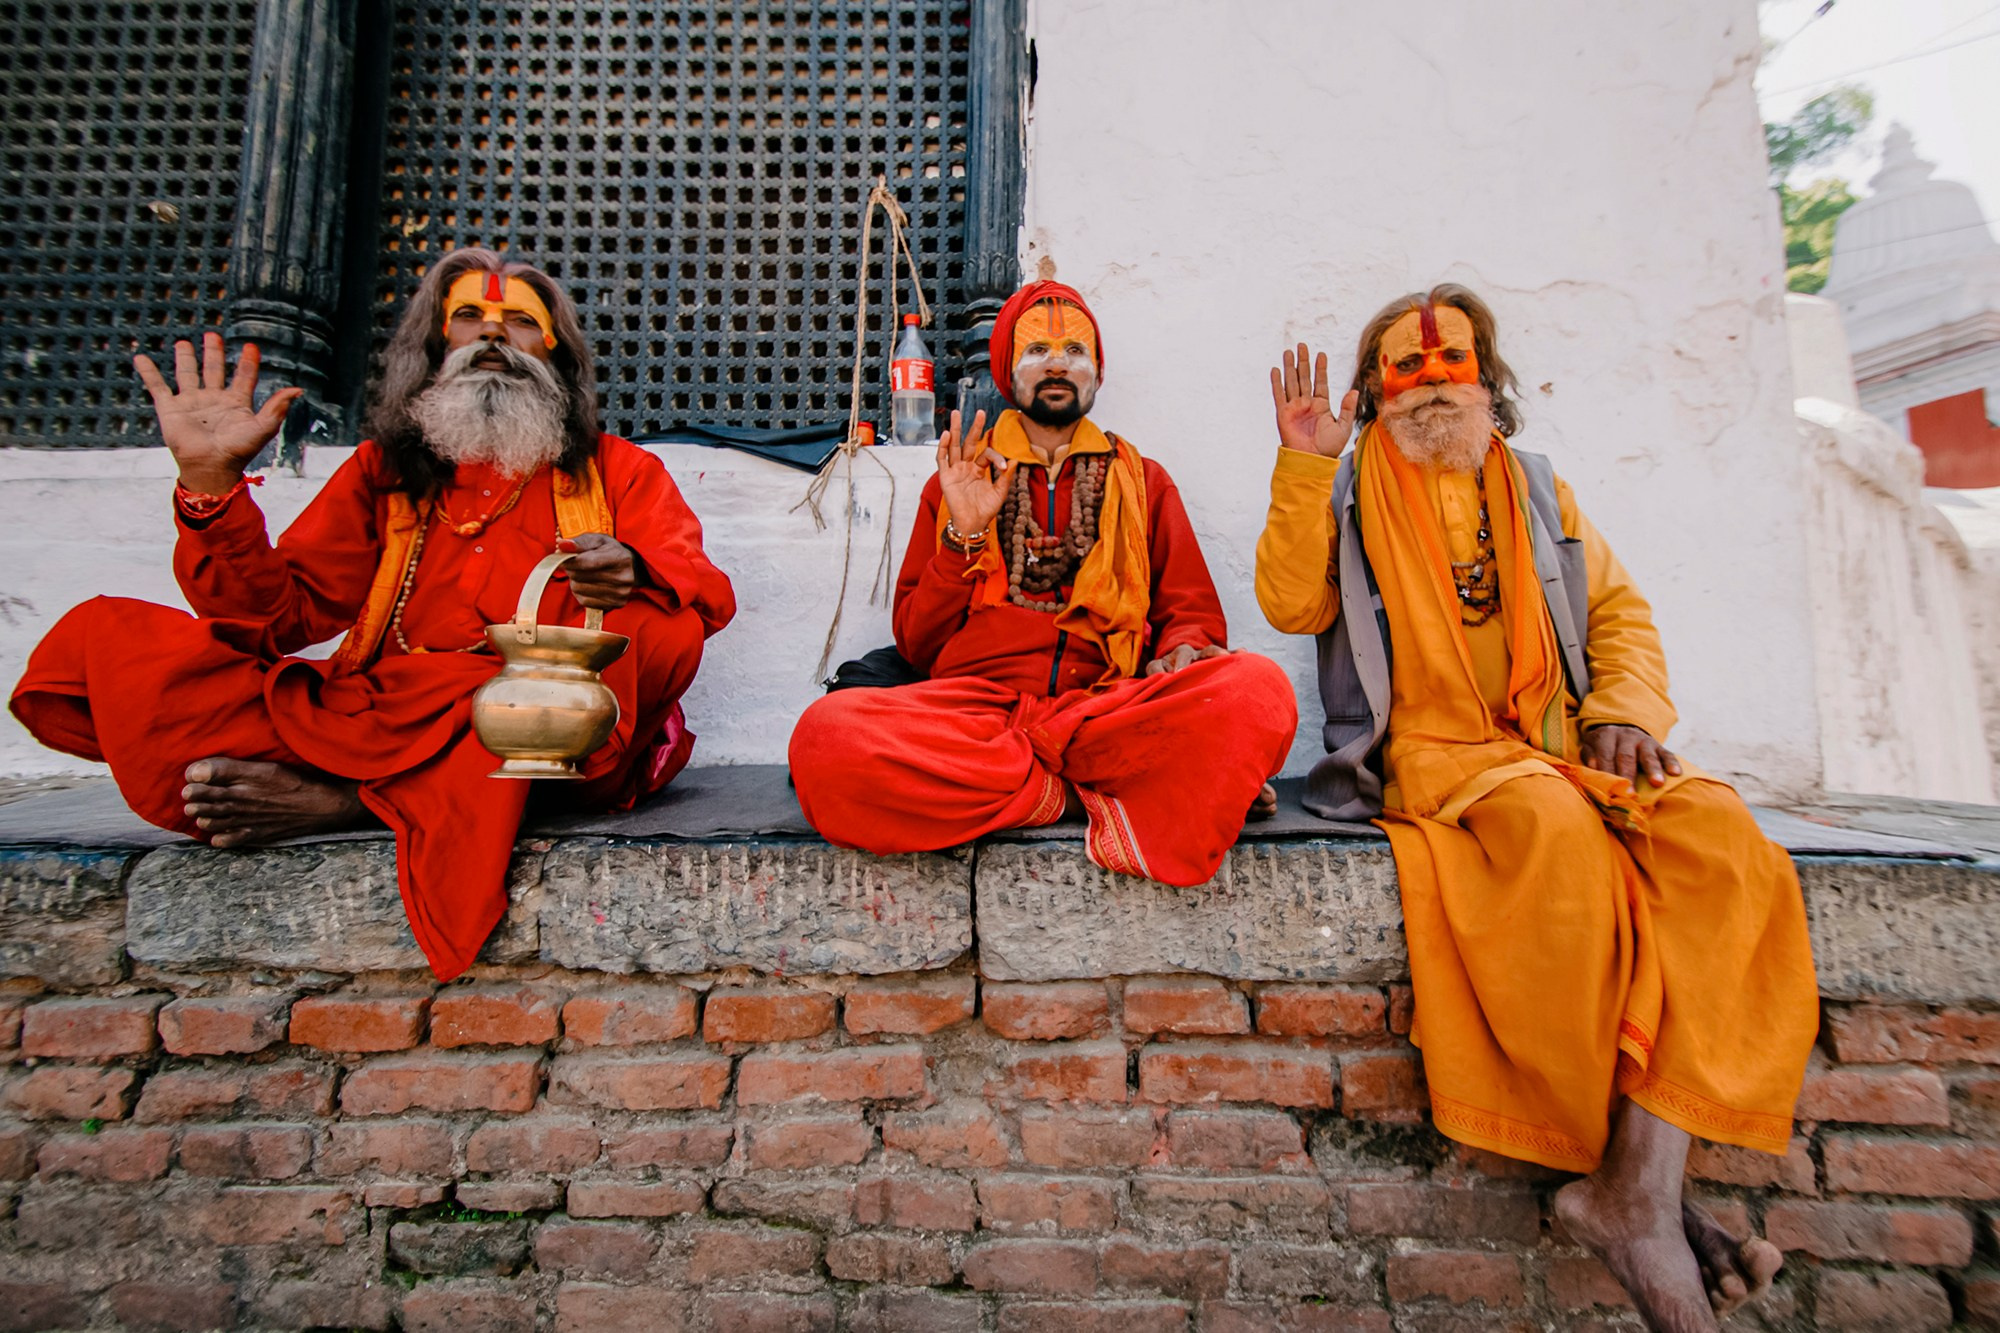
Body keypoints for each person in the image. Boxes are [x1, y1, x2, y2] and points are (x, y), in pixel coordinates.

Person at [1254, 285, 1817, 1332]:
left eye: (1449, 363)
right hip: (1436, 759)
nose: (1429, 385)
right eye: (1405, 370)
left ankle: (1635, 1192)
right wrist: (1301, 459)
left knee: (1723, 839)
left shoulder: (1539, 489)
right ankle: (1649, 1202)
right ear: (1374, 391)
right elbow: (1290, 604)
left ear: (1486, 378)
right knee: (1558, 845)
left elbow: (1619, 615)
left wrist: (1621, 711)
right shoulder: (1343, 491)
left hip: (1559, 746)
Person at [11, 248, 735, 980]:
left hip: (542, 727)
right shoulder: (381, 474)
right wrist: (210, 485)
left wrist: (634, 570)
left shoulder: (619, 470)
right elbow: (270, 619)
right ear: (433, 347)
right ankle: (394, 788)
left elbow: (701, 588)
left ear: (554, 351)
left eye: (519, 320)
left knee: (659, 625)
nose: (493, 336)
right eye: (469, 320)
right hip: (376, 713)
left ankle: (344, 802)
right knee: (112, 635)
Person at [789, 279, 1296, 884]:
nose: (1057, 362)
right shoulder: (959, 477)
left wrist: (1181, 652)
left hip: (1105, 712)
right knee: (826, 740)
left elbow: (1189, 613)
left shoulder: (1143, 480)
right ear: (1008, 373)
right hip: (975, 714)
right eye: (1037, 351)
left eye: (1075, 351)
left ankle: (1053, 785)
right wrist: (963, 537)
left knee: (1257, 688)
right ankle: (1089, 798)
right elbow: (919, 644)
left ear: (1097, 374)